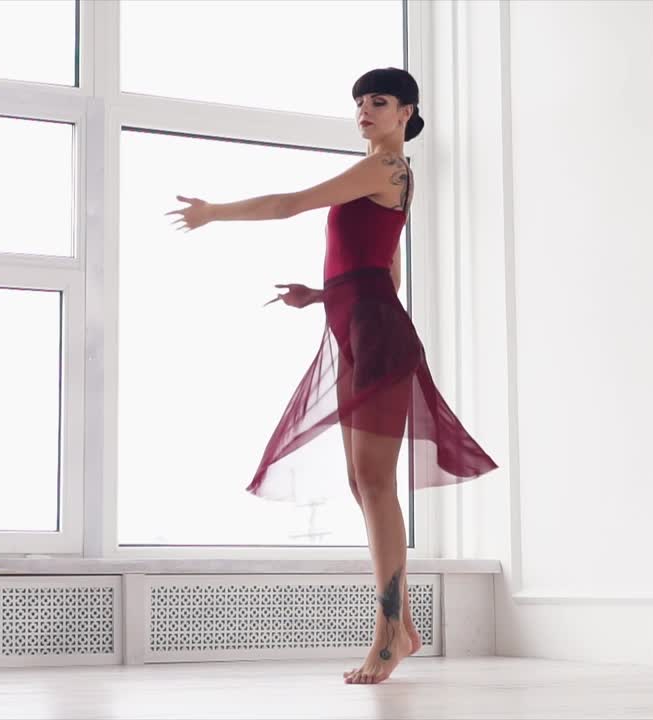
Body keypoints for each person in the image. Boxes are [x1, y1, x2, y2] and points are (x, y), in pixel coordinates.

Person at [166, 67, 498, 685]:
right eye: (359, 103)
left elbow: (290, 204)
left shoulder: (383, 169)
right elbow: (386, 270)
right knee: (362, 480)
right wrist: (321, 296)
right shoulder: (392, 176)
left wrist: (213, 212)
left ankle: (390, 633)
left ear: (407, 113)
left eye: (378, 102)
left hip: (375, 337)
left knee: (373, 483)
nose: (364, 111)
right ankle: (402, 626)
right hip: (356, 329)